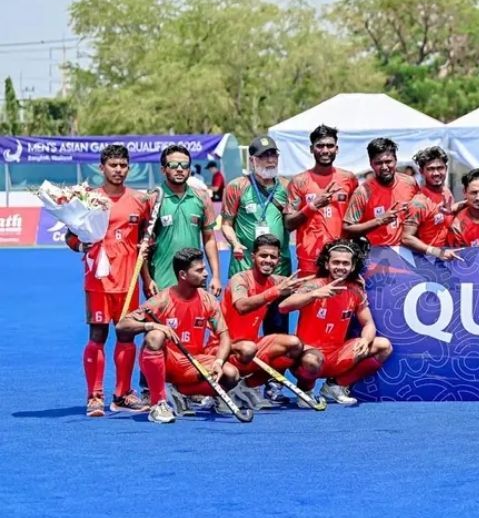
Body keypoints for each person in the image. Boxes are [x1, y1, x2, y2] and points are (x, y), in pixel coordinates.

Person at [66, 145, 154, 417]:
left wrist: (147, 274)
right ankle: (94, 397)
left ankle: (122, 394)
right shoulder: (88, 199)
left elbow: (145, 238)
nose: (118, 170)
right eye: (113, 165)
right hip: (99, 282)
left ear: (129, 168)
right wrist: (82, 246)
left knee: (127, 335)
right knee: (98, 335)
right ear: (101, 167)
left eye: (123, 165)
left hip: (129, 282)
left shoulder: (140, 200)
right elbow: (70, 236)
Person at [117, 248, 240, 425]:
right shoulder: (162, 299)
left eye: (204, 269)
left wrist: (218, 362)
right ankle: (158, 404)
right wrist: (151, 325)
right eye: (199, 270)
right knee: (155, 336)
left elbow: (224, 337)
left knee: (231, 375)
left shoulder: (209, 300)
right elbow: (122, 325)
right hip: (167, 360)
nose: (206, 274)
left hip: (192, 363)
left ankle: (181, 392)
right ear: (183, 274)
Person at [279, 240, 393, 406]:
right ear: (327, 264)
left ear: (352, 267)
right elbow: (283, 307)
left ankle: (335, 386)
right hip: (308, 357)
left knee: (383, 346)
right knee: (312, 360)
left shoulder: (355, 291)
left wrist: (366, 339)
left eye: (345, 263)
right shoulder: (313, 286)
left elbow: (368, 324)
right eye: (336, 262)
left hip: (337, 356)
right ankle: (305, 392)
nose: (340, 267)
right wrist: (314, 294)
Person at [220, 234, 310, 409]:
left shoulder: (276, 281)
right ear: (253, 256)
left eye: (273, 257)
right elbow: (241, 306)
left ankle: (246, 387)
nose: (268, 260)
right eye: (263, 256)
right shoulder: (240, 279)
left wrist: (341, 278)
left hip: (252, 346)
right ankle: (222, 389)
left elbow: (307, 283)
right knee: (248, 349)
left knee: (294, 344)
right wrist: (274, 292)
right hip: (223, 346)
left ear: (278, 260)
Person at [222, 136, 292, 336]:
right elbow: (226, 224)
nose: (270, 160)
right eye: (263, 156)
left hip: (278, 268)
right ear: (252, 160)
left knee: (277, 330)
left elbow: (292, 222)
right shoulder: (237, 186)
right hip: (245, 266)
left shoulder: (286, 187)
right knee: (241, 332)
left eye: (273, 155)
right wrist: (235, 243)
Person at [145, 145, 221, 297]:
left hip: (195, 281)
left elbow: (209, 239)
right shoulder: (152, 198)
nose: (180, 169)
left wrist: (216, 276)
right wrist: (147, 279)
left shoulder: (202, 197)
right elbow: (143, 245)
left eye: (184, 165)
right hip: (162, 282)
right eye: (173, 165)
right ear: (163, 169)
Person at [285, 125, 359, 275]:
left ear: (337, 149)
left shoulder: (349, 179)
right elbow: (288, 224)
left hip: (341, 258)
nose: (325, 150)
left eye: (330, 146)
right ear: (311, 149)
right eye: (320, 146)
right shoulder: (298, 182)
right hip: (309, 259)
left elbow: (356, 219)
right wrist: (312, 207)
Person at [343, 138, 418, 248]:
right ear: (371, 164)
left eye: (388, 162)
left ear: (396, 160)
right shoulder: (363, 192)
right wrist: (379, 221)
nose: (384, 167)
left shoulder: (410, 183)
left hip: (408, 251)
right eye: (378, 163)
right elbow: (347, 228)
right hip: (377, 252)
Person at [402, 146, 459, 260]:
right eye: (431, 169)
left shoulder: (446, 192)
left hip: (449, 257)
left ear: (446, 168)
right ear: (421, 171)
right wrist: (435, 252)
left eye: (440, 168)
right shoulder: (418, 203)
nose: (436, 173)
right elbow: (406, 238)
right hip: (428, 262)